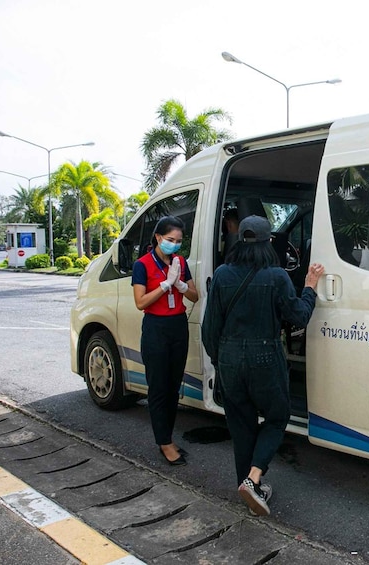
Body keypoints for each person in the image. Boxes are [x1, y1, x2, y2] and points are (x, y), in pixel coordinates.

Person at [201, 215, 324, 516]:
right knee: (277, 416)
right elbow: (298, 317)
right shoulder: (277, 276)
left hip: (229, 357)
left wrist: (221, 361)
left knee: (241, 425)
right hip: (265, 357)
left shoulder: (222, 275)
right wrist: (310, 286)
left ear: (239, 241)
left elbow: (208, 329)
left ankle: (248, 485)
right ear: (270, 241)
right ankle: (254, 477)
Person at [132, 216, 199, 466]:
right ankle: (164, 442)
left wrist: (180, 285)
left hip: (178, 325)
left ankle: (168, 437)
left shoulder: (181, 262)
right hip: (156, 327)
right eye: (170, 240)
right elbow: (140, 302)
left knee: (173, 386)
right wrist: (165, 285)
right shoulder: (143, 265)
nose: (174, 245)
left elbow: (195, 296)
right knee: (159, 387)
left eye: (179, 241)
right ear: (158, 237)